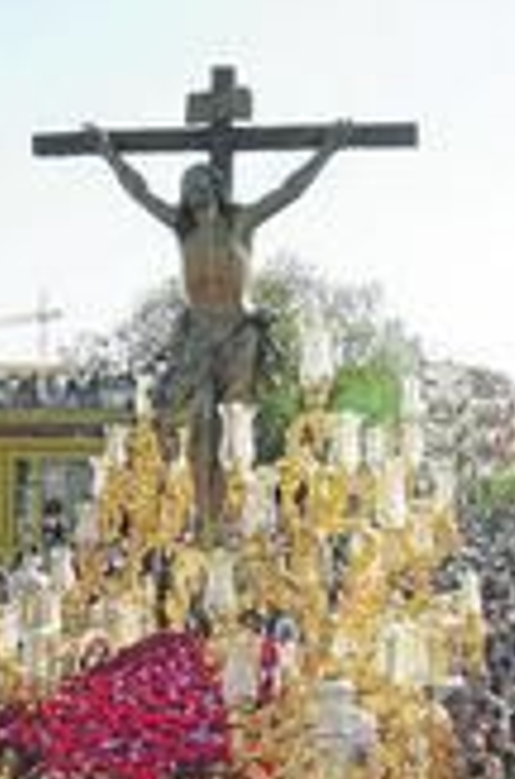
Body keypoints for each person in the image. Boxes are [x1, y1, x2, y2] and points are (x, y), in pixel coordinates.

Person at [86, 118, 353, 537]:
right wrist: (108, 154)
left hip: (238, 335)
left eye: (199, 184)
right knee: (199, 427)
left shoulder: (241, 223)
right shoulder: (182, 228)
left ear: (214, 186)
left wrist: (327, 151)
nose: (192, 193)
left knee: (236, 426)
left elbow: (289, 190)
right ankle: (204, 516)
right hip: (197, 336)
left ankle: (235, 514)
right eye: (186, 186)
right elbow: (140, 193)